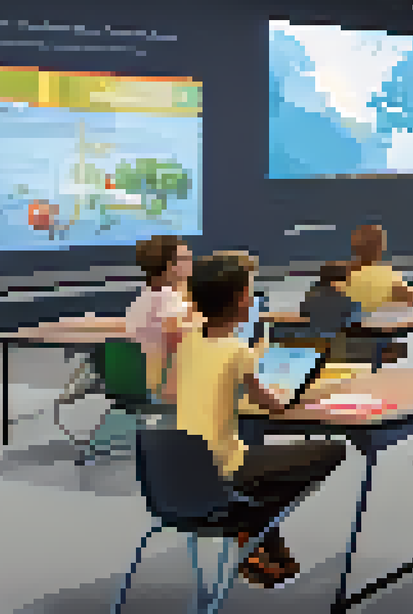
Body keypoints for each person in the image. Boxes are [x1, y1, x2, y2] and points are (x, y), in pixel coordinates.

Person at [173, 252, 346, 588]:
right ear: (241, 302)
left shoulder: (191, 340)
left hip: (183, 467)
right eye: (249, 292)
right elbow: (272, 404)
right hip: (224, 465)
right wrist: (306, 396)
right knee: (331, 451)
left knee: (264, 465)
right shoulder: (237, 351)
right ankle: (252, 527)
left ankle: (260, 537)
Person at [125, 235, 200, 404]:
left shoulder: (143, 299)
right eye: (184, 258)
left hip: (148, 385)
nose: (191, 263)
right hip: (171, 391)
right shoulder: (170, 300)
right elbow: (186, 351)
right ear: (167, 265)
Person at [344, 224, 413, 313]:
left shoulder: (344, 277)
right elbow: (411, 298)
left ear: (354, 246)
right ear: (380, 248)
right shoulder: (386, 275)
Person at [299, 261, 361, 338]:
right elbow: (355, 323)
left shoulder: (312, 296)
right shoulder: (349, 302)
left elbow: (303, 313)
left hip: (314, 337)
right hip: (338, 341)